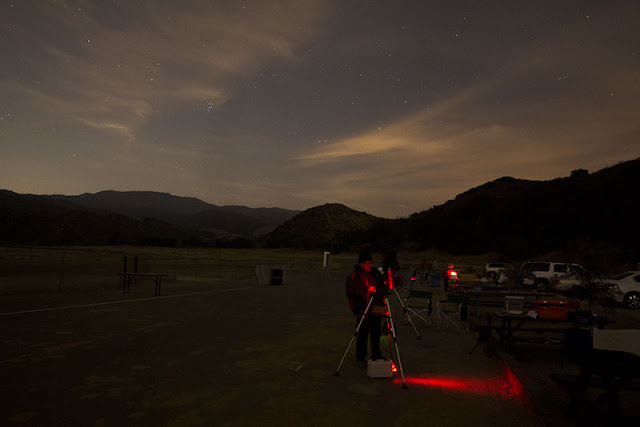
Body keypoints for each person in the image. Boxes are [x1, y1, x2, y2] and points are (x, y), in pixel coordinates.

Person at [346, 250, 386, 365]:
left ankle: (376, 354)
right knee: (362, 333)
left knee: (376, 332)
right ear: (361, 264)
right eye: (366, 263)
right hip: (361, 308)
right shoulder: (355, 275)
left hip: (374, 307)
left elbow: (381, 287)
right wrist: (366, 291)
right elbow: (351, 292)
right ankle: (360, 357)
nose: (369, 265)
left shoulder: (375, 273)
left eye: (370, 263)